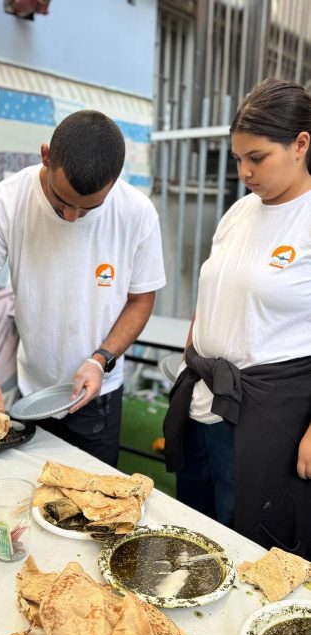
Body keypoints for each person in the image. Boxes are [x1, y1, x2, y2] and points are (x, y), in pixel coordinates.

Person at [0, 110, 165, 466]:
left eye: (87, 209)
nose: (70, 217)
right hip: (32, 389)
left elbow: (141, 299)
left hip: (97, 393)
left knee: (96, 495)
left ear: (114, 181)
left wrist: (101, 359)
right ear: (45, 156)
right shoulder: (6, 201)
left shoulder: (137, 213)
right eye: (61, 200)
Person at [164, 77, 311, 560]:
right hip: (203, 399)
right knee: (194, 530)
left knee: (247, 544)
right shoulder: (239, 212)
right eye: (238, 159)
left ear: (301, 144)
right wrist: (191, 354)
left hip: (265, 414)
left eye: (257, 158)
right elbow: (212, 290)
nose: (245, 171)